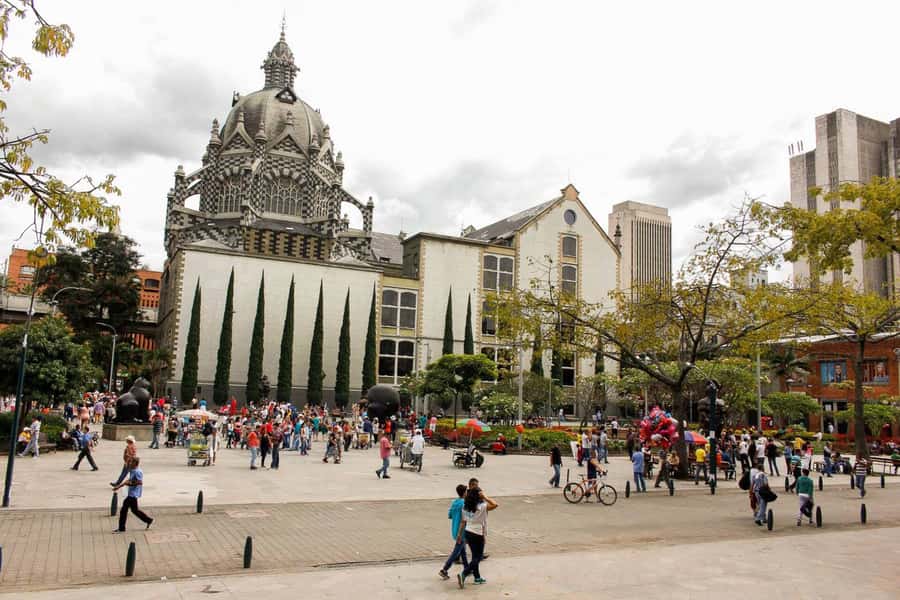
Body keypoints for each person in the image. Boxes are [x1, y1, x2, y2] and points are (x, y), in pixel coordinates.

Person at [457, 486, 499, 588]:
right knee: (478, 557)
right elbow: (495, 504)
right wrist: (485, 496)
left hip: (468, 532)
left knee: (475, 556)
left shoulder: (465, 506)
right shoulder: (482, 506)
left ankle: (477, 577)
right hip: (477, 533)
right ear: (478, 495)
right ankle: (464, 573)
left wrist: (459, 535)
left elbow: (463, 522)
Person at [113, 457, 153, 533]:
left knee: (123, 510)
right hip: (131, 494)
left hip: (133, 495)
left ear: (135, 463)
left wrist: (130, 484)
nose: (129, 464)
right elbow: (129, 480)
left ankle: (121, 528)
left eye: (131, 462)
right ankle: (148, 520)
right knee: (135, 510)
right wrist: (119, 486)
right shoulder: (132, 470)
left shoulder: (138, 472)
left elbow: (139, 482)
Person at [439, 484, 469, 580]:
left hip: (455, 530)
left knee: (463, 551)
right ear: (464, 493)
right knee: (456, 552)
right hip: (462, 532)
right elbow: (464, 520)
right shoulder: (464, 504)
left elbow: (450, 515)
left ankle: (467, 569)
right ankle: (444, 569)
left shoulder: (455, 502)